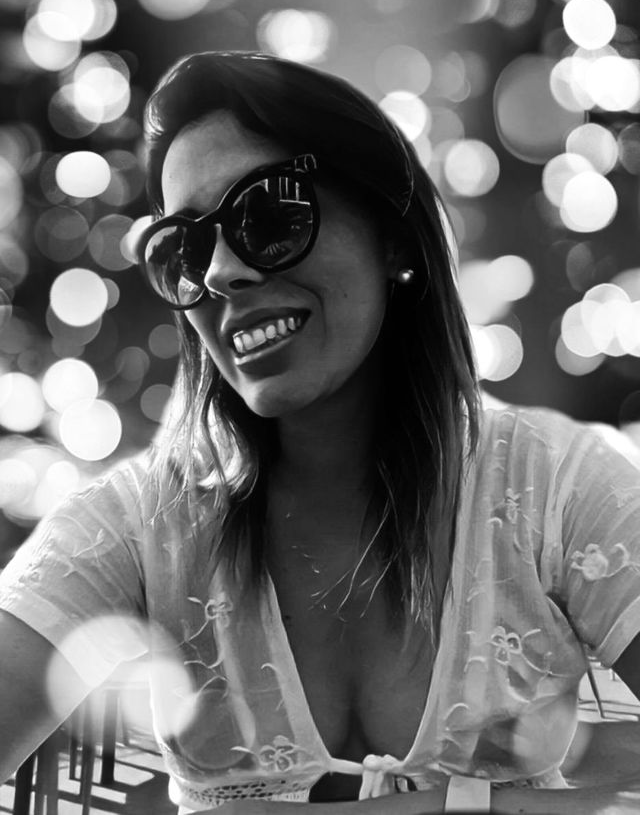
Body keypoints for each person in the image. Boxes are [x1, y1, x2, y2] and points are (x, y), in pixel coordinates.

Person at [1, 51, 640, 815]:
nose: (221, 273)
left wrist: (463, 806)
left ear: (393, 238)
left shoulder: (557, 486)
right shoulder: (137, 527)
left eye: (269, 215)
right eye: (186, 248)